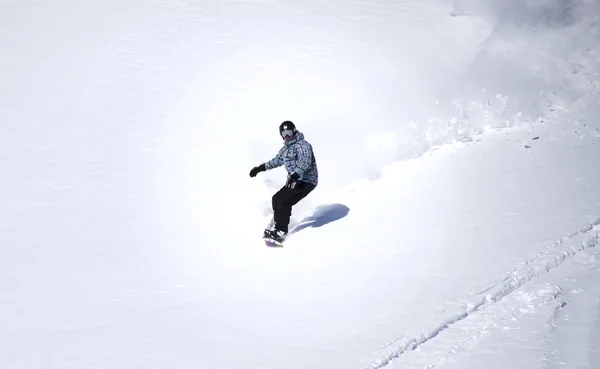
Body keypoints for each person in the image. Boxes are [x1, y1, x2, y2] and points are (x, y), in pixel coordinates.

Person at [249, 121, 318, 243]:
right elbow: (276, 161)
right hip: (294, 180)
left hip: (306, 181)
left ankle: (281, 231)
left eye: (289, 132)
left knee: (284, 201)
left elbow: (306, 162)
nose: (287, 136)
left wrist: (296, 174)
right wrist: (260, 168)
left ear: (294, 131)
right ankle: (277, 226)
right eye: (284, 133)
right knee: (276, 198)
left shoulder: (303, 145)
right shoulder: (286, 149)